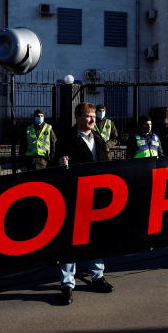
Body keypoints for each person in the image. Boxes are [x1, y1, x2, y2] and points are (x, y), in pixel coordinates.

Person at [54, 102, 114, 305]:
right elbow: (56, 164)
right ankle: (67, 284)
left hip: (95, 198)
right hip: (73, 197)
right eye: (88, 116)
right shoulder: (66, 138)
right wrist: (61, 164)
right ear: (78, 117)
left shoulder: (98, 138)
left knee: (96, 238)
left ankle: (97, 276)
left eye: (94, 117)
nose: (92, 120)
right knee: (70, 241)